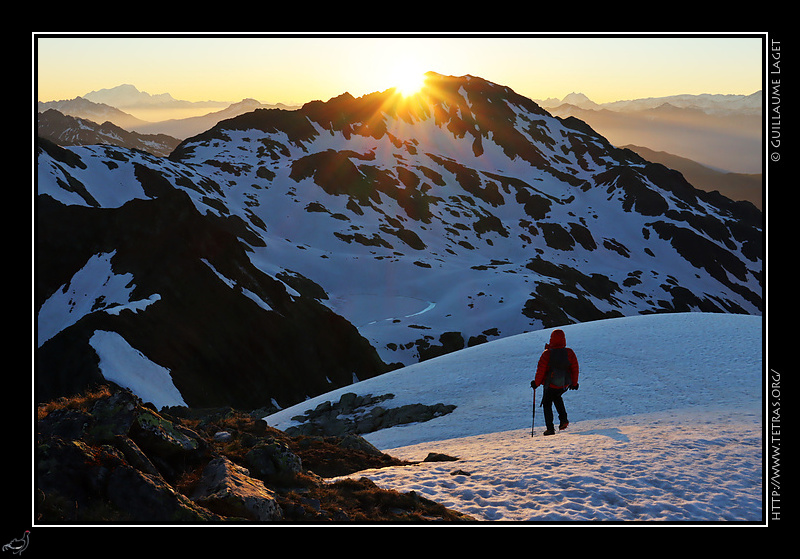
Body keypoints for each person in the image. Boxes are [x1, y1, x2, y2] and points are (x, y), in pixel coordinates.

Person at [530, 329, 579, 436]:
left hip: (550, 385)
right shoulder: (569, 352)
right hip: (564, 384)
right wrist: (574, 383)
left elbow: (541, 371)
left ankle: (550, 429)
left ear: (551, 339)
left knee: (547, 404)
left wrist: (536, 383)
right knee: (557, 397)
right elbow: (575, 368)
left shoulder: (547, 354)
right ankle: (563, 420)